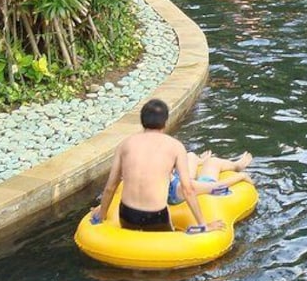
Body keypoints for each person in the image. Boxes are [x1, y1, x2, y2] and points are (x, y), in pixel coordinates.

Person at [91, 98, 226, 233]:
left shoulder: (125, 144)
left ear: (142, 121)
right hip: (155, 217)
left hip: (127, 215)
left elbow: (110, 187)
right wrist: (203, 225)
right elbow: (188, 189)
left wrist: (102, 214)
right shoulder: (175, 146)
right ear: (165, 122)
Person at [168, 150, 254, 203]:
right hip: (183, 192)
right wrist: (241, 176)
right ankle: (237, 166)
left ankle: (199, 161)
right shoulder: (183, 187)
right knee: (213, 162)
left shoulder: (161, 177)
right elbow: (216, 188)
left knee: (190, 156)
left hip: (175, 184)